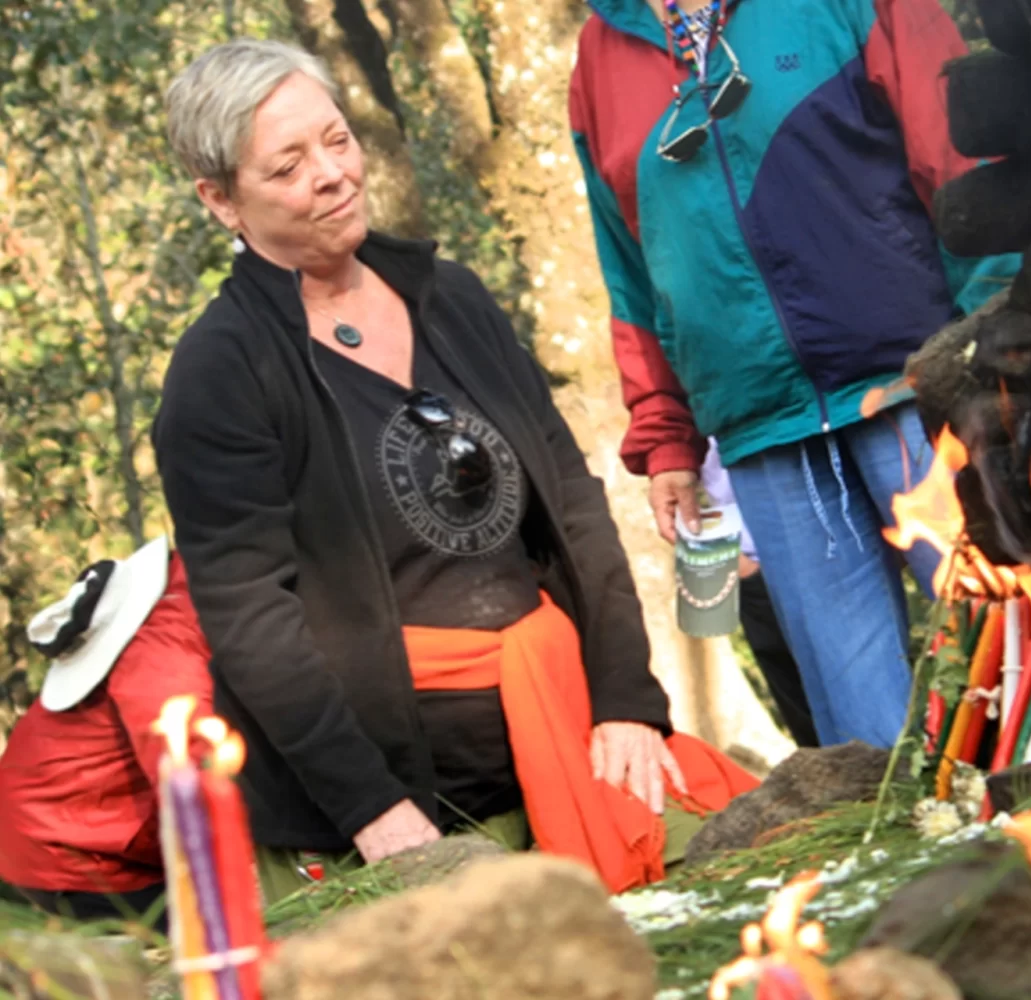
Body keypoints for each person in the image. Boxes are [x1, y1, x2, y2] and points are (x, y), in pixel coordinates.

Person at [153, 39, 756, 900]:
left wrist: (626, 698)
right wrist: (375, 811)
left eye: (337, 140)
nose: (332, 174)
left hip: (565, 726)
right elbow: (252, 618)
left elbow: (573, 505)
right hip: (394, 795)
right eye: (288, 165)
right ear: (220, 200)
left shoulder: (453, 299)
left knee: (744, 870)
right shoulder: (222, 370)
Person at [569, 0, 1021, 749]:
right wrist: (668, 440)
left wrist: (992, 333)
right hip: (763, 439)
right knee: (863, 740)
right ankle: (927, 863)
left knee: (1011, 651)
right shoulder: (598, 56)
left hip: (913, 388)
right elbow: (629, 273)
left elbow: (959, 151)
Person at [0, 538, 212, 929]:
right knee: (214, 934)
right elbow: (191, 770)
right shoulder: (158, 657)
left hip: (60, 828)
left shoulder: (184, 604)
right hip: (65, 849)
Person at [699, 440, 818, 748]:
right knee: (800, 710)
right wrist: (740, 567)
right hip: (745, 557)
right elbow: (668, 463)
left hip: (823, 547)